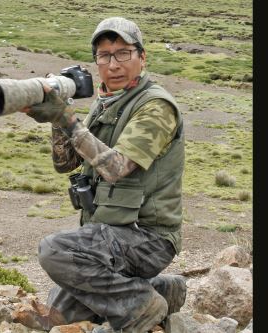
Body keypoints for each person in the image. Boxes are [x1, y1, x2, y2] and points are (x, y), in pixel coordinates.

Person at [22, 17, 186, 333]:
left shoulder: (157, 105)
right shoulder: (106, 101)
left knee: (54, 251)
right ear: (96, 61)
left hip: (147, 238)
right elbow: (65, 164)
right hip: (110, 231)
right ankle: (162, 289)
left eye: (123, 53)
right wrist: (57, 118)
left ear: (142, 57)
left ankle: (142, 305)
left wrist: (66, 118)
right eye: (105, 55)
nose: (113, 64)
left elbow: (116, 168)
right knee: (60, 312)